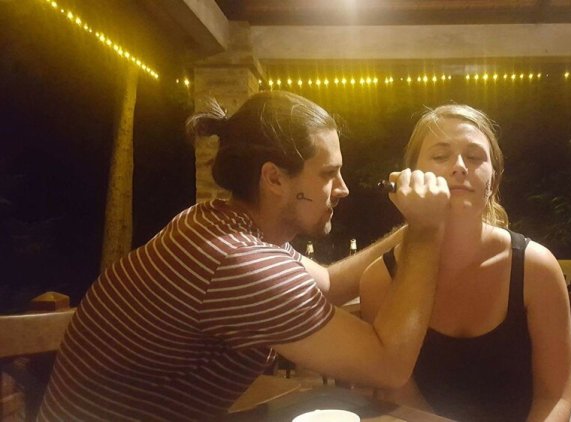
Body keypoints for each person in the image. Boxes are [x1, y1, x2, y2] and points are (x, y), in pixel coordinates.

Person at [38, 91, 450, 421]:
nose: (342, 188)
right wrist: (427, 233)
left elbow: (327, 285)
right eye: (328, 173)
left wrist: (417, 223)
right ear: (274, 178)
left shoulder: (214, 223)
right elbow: (388, 366)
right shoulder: (239, 262)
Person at [360, 104, 571, 422]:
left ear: (494, 181)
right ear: (410, 178)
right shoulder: (379, 279)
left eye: (474, 157)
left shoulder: (536, 269)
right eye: (440, 155)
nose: (459, 167)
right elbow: (399, 395)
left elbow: (554, 396)